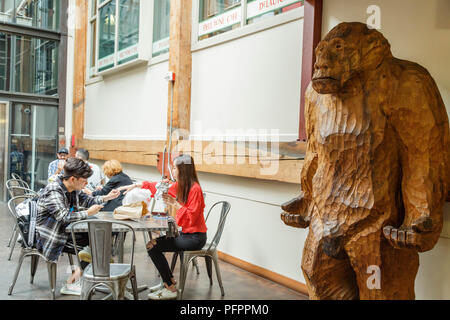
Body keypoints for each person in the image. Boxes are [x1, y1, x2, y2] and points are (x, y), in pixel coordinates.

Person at [118, 154, 207, 300]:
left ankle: (170, 287)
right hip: (186, 235)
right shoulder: (182, 186)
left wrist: (174, 203)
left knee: (152, 246)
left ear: (182, 169)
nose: (172, 170)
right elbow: (157, 186)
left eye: (174, 167)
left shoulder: (194, 189)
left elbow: (192, 217)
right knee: (153, 245)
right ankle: (169, 282)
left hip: (195, 238)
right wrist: (135, 185)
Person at [35, 157, 120, 296]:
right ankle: (73, 281)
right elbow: (63, 217)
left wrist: (107, 197)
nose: (87, 183)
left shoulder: (72, 188)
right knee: (97, 244)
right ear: (73, 179)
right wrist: (87, 213)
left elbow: (88, 200)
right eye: (84, 180)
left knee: (100, 239)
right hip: (51, 236)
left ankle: (83, 276)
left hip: (65, 231)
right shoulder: (54, 190)